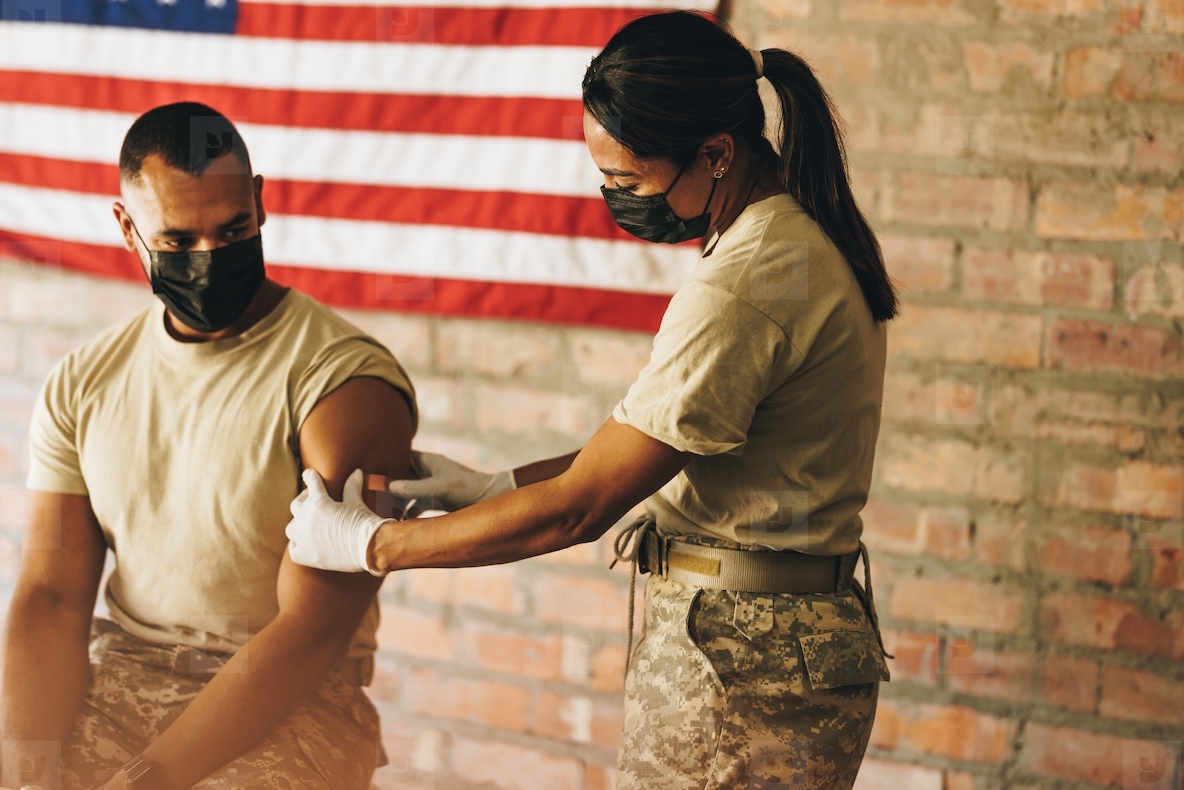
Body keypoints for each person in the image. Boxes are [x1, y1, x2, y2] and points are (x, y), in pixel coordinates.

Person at [286, 11, 897, 790]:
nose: (615, 199)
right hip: (783, 643)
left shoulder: (747, 283)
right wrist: (495, 487)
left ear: (717, 154)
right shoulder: (799, 235)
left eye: (630, 182)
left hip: (744, 669)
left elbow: (581, 508)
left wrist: (371, 546)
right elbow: (652, 451)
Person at [0, 102, 417, 790]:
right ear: (126, 228)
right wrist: (26, 770)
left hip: (297, 702)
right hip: (124, 674)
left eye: (232, 230)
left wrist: (147, 778)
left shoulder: (344, 385)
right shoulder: (83, 383)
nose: (208, 259)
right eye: (177, 240)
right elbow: (51, 596)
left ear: (259, 203)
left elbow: (312, 630)